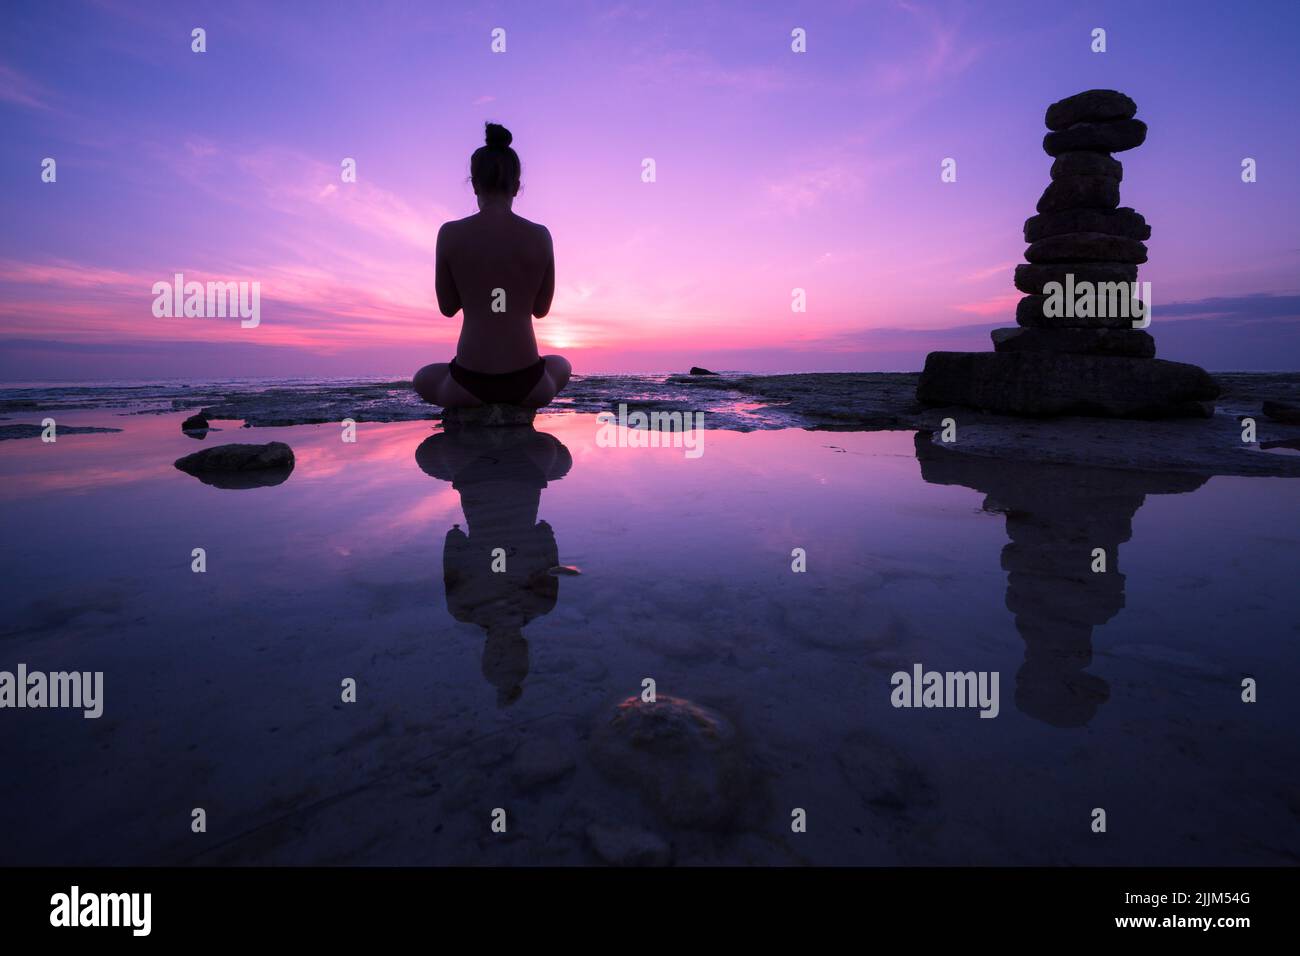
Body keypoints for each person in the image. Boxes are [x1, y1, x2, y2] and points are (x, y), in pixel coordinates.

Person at [412, 123, 571, 408]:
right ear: (517, 186)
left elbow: (447, 307)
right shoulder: (540, 235)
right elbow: (541, 310)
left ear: (474, 184)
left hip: (469, 384)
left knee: (422, 376)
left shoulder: (449, 233)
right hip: (528, 384)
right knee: (561, 364)